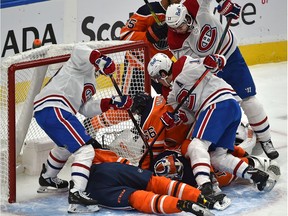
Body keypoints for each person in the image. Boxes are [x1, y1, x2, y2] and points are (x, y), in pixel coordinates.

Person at [147, 52, 276, 195]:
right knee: (217, 157)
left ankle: (205, 186)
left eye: (158, 78)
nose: (158, 82)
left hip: (217, 104)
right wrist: (175, 118)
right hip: (229, 109)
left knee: (196, 145)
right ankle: (256, 175)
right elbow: (188, 116)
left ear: (163, 72)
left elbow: (214, 62)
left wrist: (214, 61)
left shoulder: (184, 66)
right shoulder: (172, 94)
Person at [164, 1, 279, 159]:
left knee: (249, 99)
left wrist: (225, 4)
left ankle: (266, 140)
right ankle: (222, 147)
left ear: (187, 18)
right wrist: (206, 64)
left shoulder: (193, 5)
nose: (178, 30)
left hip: (230, 54)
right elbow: (188, 63)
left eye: (180, 26)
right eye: (174, 28)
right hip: (212, 69)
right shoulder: (174, 41)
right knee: (223, 106)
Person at [33, 43, 133, 211]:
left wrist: (111, 102)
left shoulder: (91, 82)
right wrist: (101, 60)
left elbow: (85, 109)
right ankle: (77, 192)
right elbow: (80, 50)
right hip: (55, 108)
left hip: (48, 111)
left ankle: (47, 177)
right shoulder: (79, 63)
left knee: (66, 146)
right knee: (85, 150)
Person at [83, 148, 229, 215]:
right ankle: (200, 198)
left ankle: (182, 205)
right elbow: (109, 156)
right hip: (109, 167)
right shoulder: (88, 151)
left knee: (137, 198)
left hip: (92, 186)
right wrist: (130, 170)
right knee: (154, 182)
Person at [120, 0, 180, 96]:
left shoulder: (182, 11)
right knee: (130, 105)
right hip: (138, 63)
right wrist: (149, 36)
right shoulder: (147, 11)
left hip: (163, 67)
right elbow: (124, 36)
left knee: (175, 99)